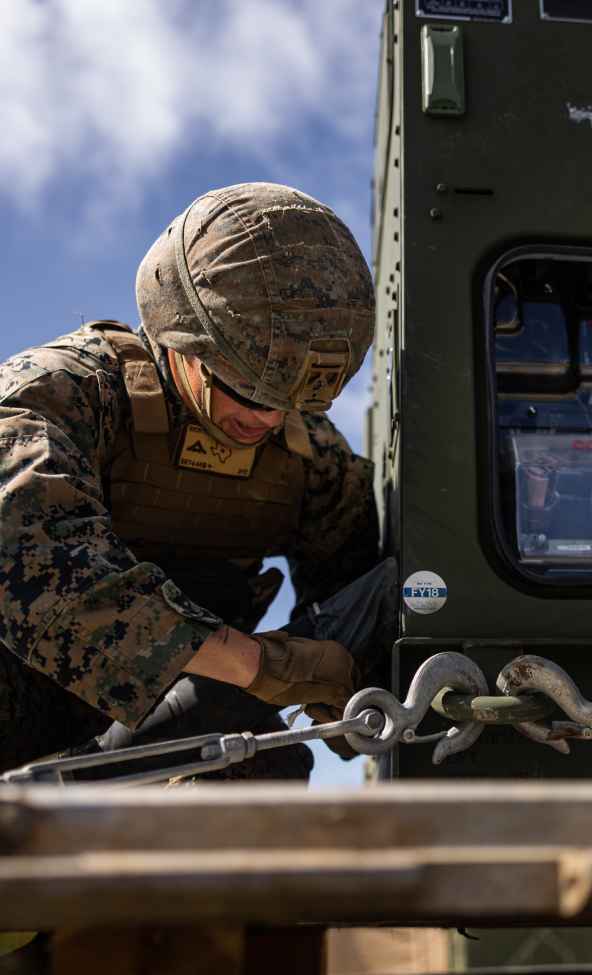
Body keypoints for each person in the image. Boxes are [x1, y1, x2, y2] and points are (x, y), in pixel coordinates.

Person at [0, 183, 383, 780]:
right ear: (181, 338)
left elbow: (354, 594)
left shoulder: (308, 459)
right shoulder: (61, 396)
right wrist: (256, 663)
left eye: (294, 400)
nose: (270, 419)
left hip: (162, 751)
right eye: (249, 392)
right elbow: (30, 566)